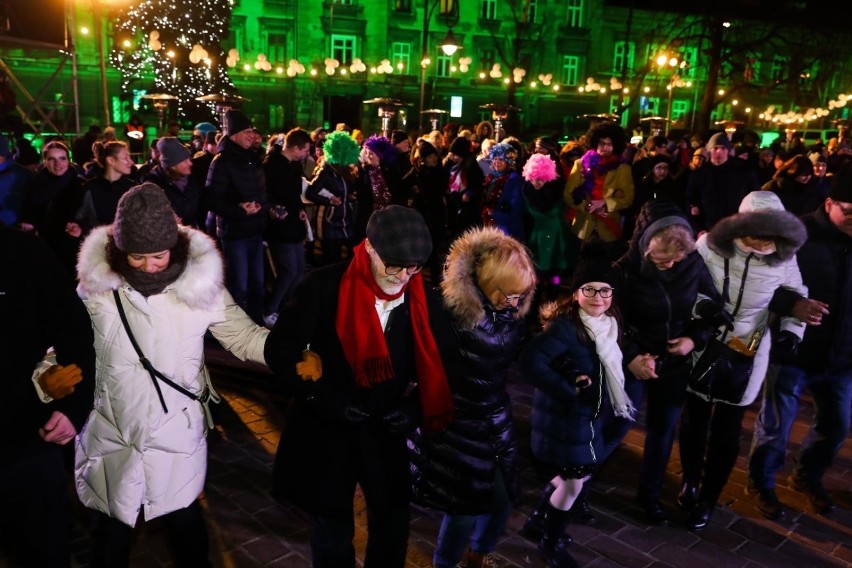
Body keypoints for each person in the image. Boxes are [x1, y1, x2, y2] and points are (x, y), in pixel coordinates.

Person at [71, 183, 269, 566]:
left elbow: (244, 337)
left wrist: (290, 353)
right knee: (109, 539)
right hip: (112, 432)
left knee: (186, 529)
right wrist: (47, 378)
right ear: (117, 250)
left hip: (174, 433)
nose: (148, 266)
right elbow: (64, 345)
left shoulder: (201, 287)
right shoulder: (95, 288)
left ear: (173, 248)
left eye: (158, 256)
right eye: (136, 257)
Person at [265, 205, 457, 567]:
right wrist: (321, 398)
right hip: (326, 427)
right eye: (394, 265)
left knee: (393, 523)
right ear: (369, 247)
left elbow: (447, 361)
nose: (403, 276)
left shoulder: (424, 299)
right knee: (331, 528)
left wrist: (413, 408)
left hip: (385, 428)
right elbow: (281, 348)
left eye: (413, 267)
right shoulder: (322, 287)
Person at [678, 191, 808, 530]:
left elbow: (798, 297)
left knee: (726, 430)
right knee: (694, 420)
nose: (765, 240)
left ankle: (709, 496)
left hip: (746, 349)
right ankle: (689, 480)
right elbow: (687, 285)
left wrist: (793, 332)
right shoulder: (709, 246)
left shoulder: (784, 257)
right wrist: (702, 309)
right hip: (704, 341)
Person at [409, 225, 536, 568]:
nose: (515, 303)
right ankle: (445, 564)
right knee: (463, 507)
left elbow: (523, 350)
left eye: (521, 296)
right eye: (508, 294)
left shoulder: (510, 314)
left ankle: (478, 553)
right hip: (458, 425)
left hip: (495, 418)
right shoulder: (452, 316)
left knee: (504, 496)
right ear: (485, 283)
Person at [597, 200, 727, 524]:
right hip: (634, 360)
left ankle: (650, 495)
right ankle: (578, 484)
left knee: (662, 429)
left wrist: (693, 339)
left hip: (674, 361)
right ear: (645, 246)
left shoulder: (693, 264)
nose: (669, 266)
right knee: (615, 424)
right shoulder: (623, 271)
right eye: (661, 260)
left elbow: (713, 309)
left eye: (675, 260)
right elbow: (608, 322)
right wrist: (631, 358)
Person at [518, 242, 634, 568]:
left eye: (606, 291)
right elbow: (529, 360)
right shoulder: (566, 328)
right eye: (590, 290)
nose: (598, 297)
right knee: (573, 484)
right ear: (576, 291)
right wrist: (567, 388)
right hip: (566, 422)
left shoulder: (608, 325)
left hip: (585, 420)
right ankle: (550, 542)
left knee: (574, 479)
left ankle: (539, 520)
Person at [748, 164, 852, 519]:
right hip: (795, 350)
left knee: (836, 424)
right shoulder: (795, 234)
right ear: (829, 203)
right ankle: (762, 481)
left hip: (842, 355)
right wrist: (793, 304)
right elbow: (759, 282)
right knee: (776, 425)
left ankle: (808, 475)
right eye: (849, 210)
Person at [0, 224, 96, 568]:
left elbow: (75, 333)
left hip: (26, 438)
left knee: (43, 552)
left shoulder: (24, 252)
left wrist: (74, 407)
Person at [206, 109, 268, 324]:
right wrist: (240, 209)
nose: (252, 136)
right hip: (235, 234)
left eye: (252, 131)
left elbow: (262, 191)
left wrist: (267, 208)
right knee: (238, 286)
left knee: (258, 284)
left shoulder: (252, 158)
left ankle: (256, 326)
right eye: (246, 131)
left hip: (255, 231)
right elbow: (212, 199)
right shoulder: (221, 161)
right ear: (233, 135)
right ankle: (235, 329)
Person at [262, 127, 311, 326]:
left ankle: (289, 308)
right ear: (296, 148)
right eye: (306, 150)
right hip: (279, 226)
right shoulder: (271, 165)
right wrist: (273, 208)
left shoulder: (294, 166)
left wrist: (299, 209)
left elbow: (294, 193)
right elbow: (266, 193)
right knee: (289, 269)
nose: (307, 154)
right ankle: (270, 310)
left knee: (299, 269)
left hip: (293, 223)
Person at [18, 140, 86, 277]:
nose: (58, 163)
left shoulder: (81, 185)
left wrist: (80, 227)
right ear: (44, 161)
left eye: (62, 158)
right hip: (45, 248)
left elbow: (90, 216)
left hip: (75, 249)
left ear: (68, 160)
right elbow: (28, 215)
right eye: (51, 159)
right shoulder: (33, 185)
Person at [565, 122, 634, 252]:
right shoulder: (580, 164)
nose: (605, 148)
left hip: (609, 231)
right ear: (595, 142)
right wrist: (588, 206)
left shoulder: (623, 169)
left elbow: (628, 199)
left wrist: (604, 203)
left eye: (609, 144)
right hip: (583, 229)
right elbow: (568, 195)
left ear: (616, 145)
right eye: (602, 143)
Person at [522, 152, 577, 297]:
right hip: (538, 235)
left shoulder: (557, 190)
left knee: (555, 272)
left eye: (540, 179)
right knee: (537, 272)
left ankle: (553, 297)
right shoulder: (528, 191)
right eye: (533, 178)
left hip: (556, 235)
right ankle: (537, 297)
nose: (536, 182)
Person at [305, 130, 361, 265]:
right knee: (331, 260)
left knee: (351, 257)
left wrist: (350, 197)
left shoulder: (345, 169)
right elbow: (310, 193)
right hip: (329, 222)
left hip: (345, 219)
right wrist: (329, 200)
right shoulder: (325, 170)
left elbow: (344, 191)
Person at [687, 132, 759, 234]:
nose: (719, 152)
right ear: (709, 150)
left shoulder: (743, 171)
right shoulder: (700, 174)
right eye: (715, 148)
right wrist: (698, 229)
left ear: (728, 150)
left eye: (723, 148)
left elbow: (754, 196)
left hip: (736, 227)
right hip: (709, 228)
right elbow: (692, 201)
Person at [141, 136, 203, 228]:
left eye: (189, 159)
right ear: (172, 164)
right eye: (184, 161)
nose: (190, 163)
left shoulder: (193, 177)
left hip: (192, 232)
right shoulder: (153, 184)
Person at [76, 140, 137, 230]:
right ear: (111, 160)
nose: (131, 162)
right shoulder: (90, 188)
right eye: (125, 158)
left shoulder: (133, 188)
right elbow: (79, 218)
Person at [481, 141, 525, 241]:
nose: (497, 162)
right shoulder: (491, 178)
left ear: (508, 161)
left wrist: (494, 213)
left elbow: (516, 211)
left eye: (501, 159)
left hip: (507, 232)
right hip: (491, 229)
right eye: (495, 159)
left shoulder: (515, 180)